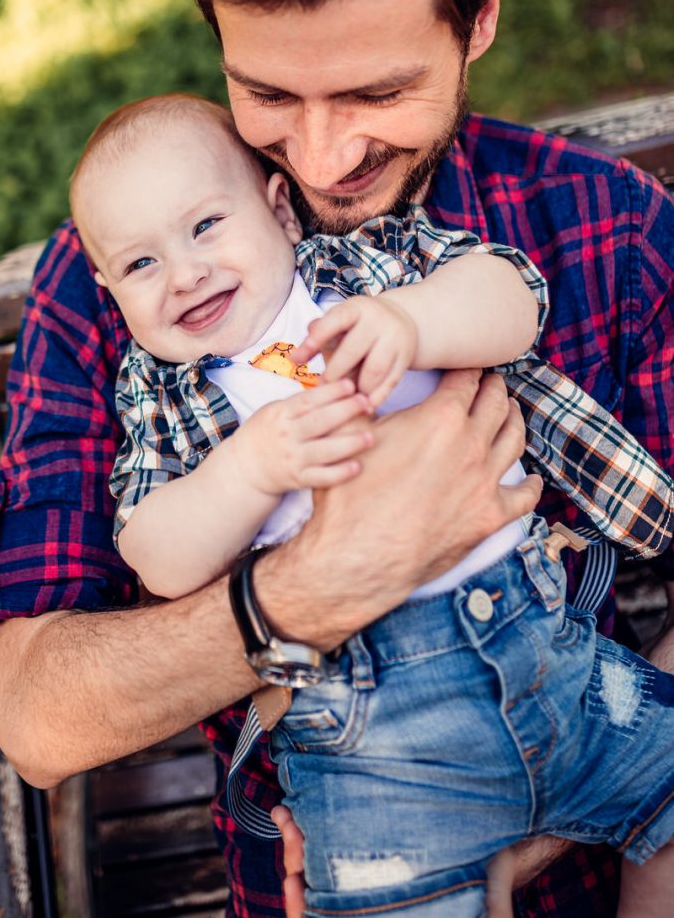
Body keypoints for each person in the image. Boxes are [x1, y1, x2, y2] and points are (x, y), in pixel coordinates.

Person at [0, 0, 674, 918]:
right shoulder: (130, 290)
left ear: (481, 17)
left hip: (592, 780)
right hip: (351, 833)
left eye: (377, 91)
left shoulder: (599, 228)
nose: (323, 156)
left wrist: (525, 830)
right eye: (268, 94)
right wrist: (314, 582)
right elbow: (40, 720)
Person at [67, 91, 674, 917]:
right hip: (370, 737)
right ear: (110, 291)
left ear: (280, 212)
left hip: (549, 658)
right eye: (141, 265)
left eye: (206, 226)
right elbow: (155, 553)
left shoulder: (363, 270)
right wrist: (246, 470)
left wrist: (412, 321)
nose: (185, 273)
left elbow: (512, 297)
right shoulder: (160, 397)